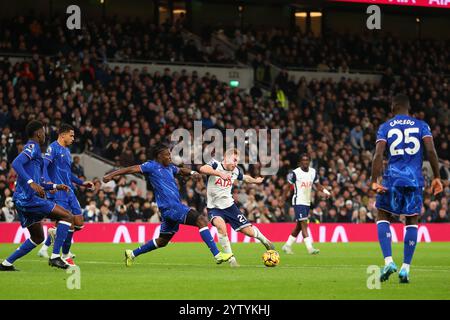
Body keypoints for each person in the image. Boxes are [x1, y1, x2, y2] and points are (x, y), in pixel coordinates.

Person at [102, 144, 233, 266]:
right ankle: (217, 255)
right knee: (201, 220)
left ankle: (132, 254)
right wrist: (111, 175)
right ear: (159, 156)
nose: (170, 157)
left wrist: (193, 173)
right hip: (171, 207)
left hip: (169, 209)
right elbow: (131, 169)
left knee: (162, 241)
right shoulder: (151, 166)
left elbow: (181, 170)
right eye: (167, 155)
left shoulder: (169, 167)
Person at [371, 94, 443, 284]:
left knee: (383, 216)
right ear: (408, 108)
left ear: (393, 107)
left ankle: (388, 261)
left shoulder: (385, 127)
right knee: (411, 220)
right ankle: (405, 268)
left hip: (392, 179)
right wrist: (437, 177)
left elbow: (378, 155)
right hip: (414, 179)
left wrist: (373, 179)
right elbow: (431, 151)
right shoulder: (421, 125)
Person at [0, 120, 73, 271]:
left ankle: (6, 263)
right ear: (39, 133)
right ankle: (55, 257)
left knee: (38, 237)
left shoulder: (36, 154)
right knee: (67, 217)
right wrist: (31, 182)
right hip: (28, 199)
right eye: (44, 132)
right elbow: (15, 163)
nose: (45, 135)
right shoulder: (32, 146)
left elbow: (40, 183)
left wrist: (54, 186)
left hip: (22, 200)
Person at [199, 148, 274, 267]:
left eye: (237, 161)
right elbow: (202, 169)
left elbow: (245, 177)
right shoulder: (215, 164)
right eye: (234, 160)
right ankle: (232, 260)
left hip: (230, 207)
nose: (235, 164)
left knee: (249, 232)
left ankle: (264, 240)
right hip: (214, 208)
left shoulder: (235, 171)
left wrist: (255, 181)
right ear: (226, 158)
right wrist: (219, 174)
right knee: (221, 226)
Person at [37, 124, 94, 266]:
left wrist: (82, 183)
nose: (73, 138)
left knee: (79, 223)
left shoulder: (67, 152)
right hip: (59, 192)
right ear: (62, 135)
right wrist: (48, 182)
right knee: (68, 222)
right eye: (71, 135)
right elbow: (44, 165)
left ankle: (55, 235)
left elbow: (69, 174)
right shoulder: (53, 148)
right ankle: (62, 255)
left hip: (70, 191)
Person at [282, 153, 331, 255]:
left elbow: (317, 185)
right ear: (300, 162)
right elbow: (287, 187)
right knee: (304, 223)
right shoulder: (295, 173)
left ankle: (287, 245)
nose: (305, 162)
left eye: (307, 160)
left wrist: (325, 191)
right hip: (298, 201)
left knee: (299, 226)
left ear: (309, 161)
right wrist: (282, 199)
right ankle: (310, 248)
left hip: (307, 202)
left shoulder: (313, 172)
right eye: (303, 160)